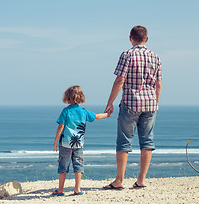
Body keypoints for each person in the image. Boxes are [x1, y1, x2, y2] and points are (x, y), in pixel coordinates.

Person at [103, 25, 162, 190]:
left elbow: (119, 81)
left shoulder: (127, 55)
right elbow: (158, 85)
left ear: (130, 38)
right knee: (147, 141)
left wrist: (110, 102)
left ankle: (119, 180)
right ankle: (141, 180)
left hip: (131, 103)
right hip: (150, 104)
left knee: (124, 142)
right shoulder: (155, 57)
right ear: (147, 39)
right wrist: (155, 102)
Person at [52, 85, 109, 196]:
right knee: (78, 166)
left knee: (63, 166)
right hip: (79, 144)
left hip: (65, 144)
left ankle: (60, 190)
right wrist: (107, 114)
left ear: (67, 97)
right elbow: (96, 116)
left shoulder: (66, 111)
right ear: (81, 97)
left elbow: (61, 127)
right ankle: (77, 189)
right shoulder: (83, 111)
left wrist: (55, 142)